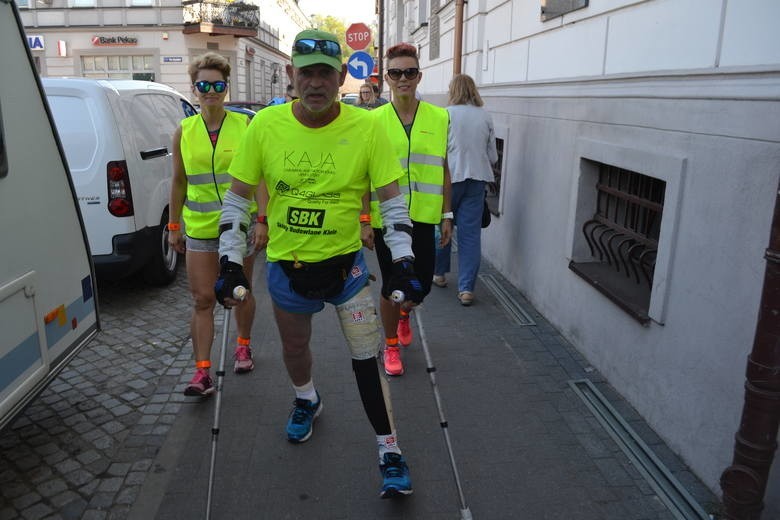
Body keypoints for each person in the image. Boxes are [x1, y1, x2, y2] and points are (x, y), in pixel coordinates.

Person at [214, 29, 423, 498]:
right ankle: (307, 397)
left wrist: (404, 262)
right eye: (305, 71)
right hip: (288, 269)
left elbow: (392, 201)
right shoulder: (264, 127)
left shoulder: (367, 127)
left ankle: (389, 449)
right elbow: (237, 199)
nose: (314, 82)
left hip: (347, 270)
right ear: (290, 74)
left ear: (341, 76)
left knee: (367, 357)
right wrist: (230, 262)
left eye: (324, 73)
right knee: (294, 350)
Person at [168, 52, 267, 397]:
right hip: (199, 228)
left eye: (217, 84)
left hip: (239, 225)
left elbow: (261, 178)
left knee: (241, 292)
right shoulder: (185, 130)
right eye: (203, 85)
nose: (210, 91)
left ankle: (243, 345)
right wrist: (173, 224)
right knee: (202, 299)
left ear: (227, 87)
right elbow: (179, 181)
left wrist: (263, 220)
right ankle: (202, 372)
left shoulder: (246, 125)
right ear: (194, 89)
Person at [367, 43, 452, 376]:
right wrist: (363, 220)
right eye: (396, 73)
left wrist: (447, 214)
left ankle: (405, 314)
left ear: (419, 76)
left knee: (421, 287)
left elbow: (444, 168)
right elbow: (364, 175)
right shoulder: (372, 121)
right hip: (387, 217)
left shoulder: (440, 116)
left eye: (410, 72)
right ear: (387, 78)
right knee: (392, 285)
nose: (403, 78)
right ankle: (389, 346)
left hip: (425, 216)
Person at [433, 74, 498, 306]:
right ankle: (466, 288)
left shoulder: (445, 115)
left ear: (453, 91)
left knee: (443, 226)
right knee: (470, 236)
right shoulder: (485, 116)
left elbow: (438, 151)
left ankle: (439, 274)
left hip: (450, 178)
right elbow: (493, 156)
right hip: (477, 179)